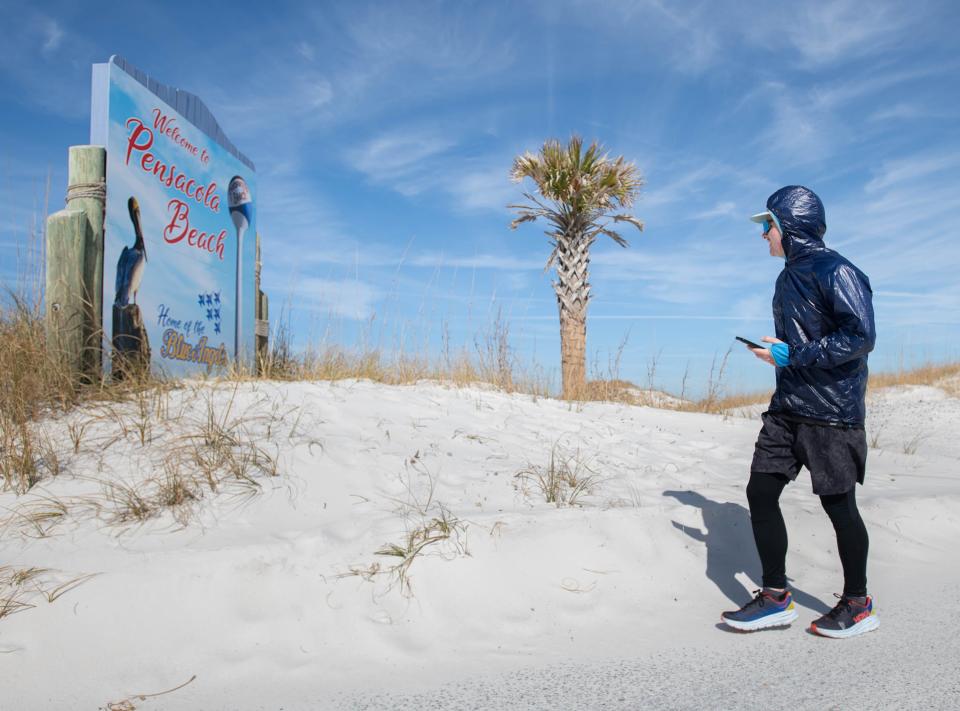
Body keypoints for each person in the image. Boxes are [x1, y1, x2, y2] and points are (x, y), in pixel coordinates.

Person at [721, 185, 879, 638]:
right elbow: (800, 346)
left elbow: (860, 336)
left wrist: (797, 355)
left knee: (839, 506)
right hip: (787, 406)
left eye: (767, 225)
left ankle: (858, 603)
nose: (764, 236)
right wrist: (780, 356)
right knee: (760, 491)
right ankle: (775, 597)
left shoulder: (838, 270)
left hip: (831, 411)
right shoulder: (786, 277)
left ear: (788, 225)